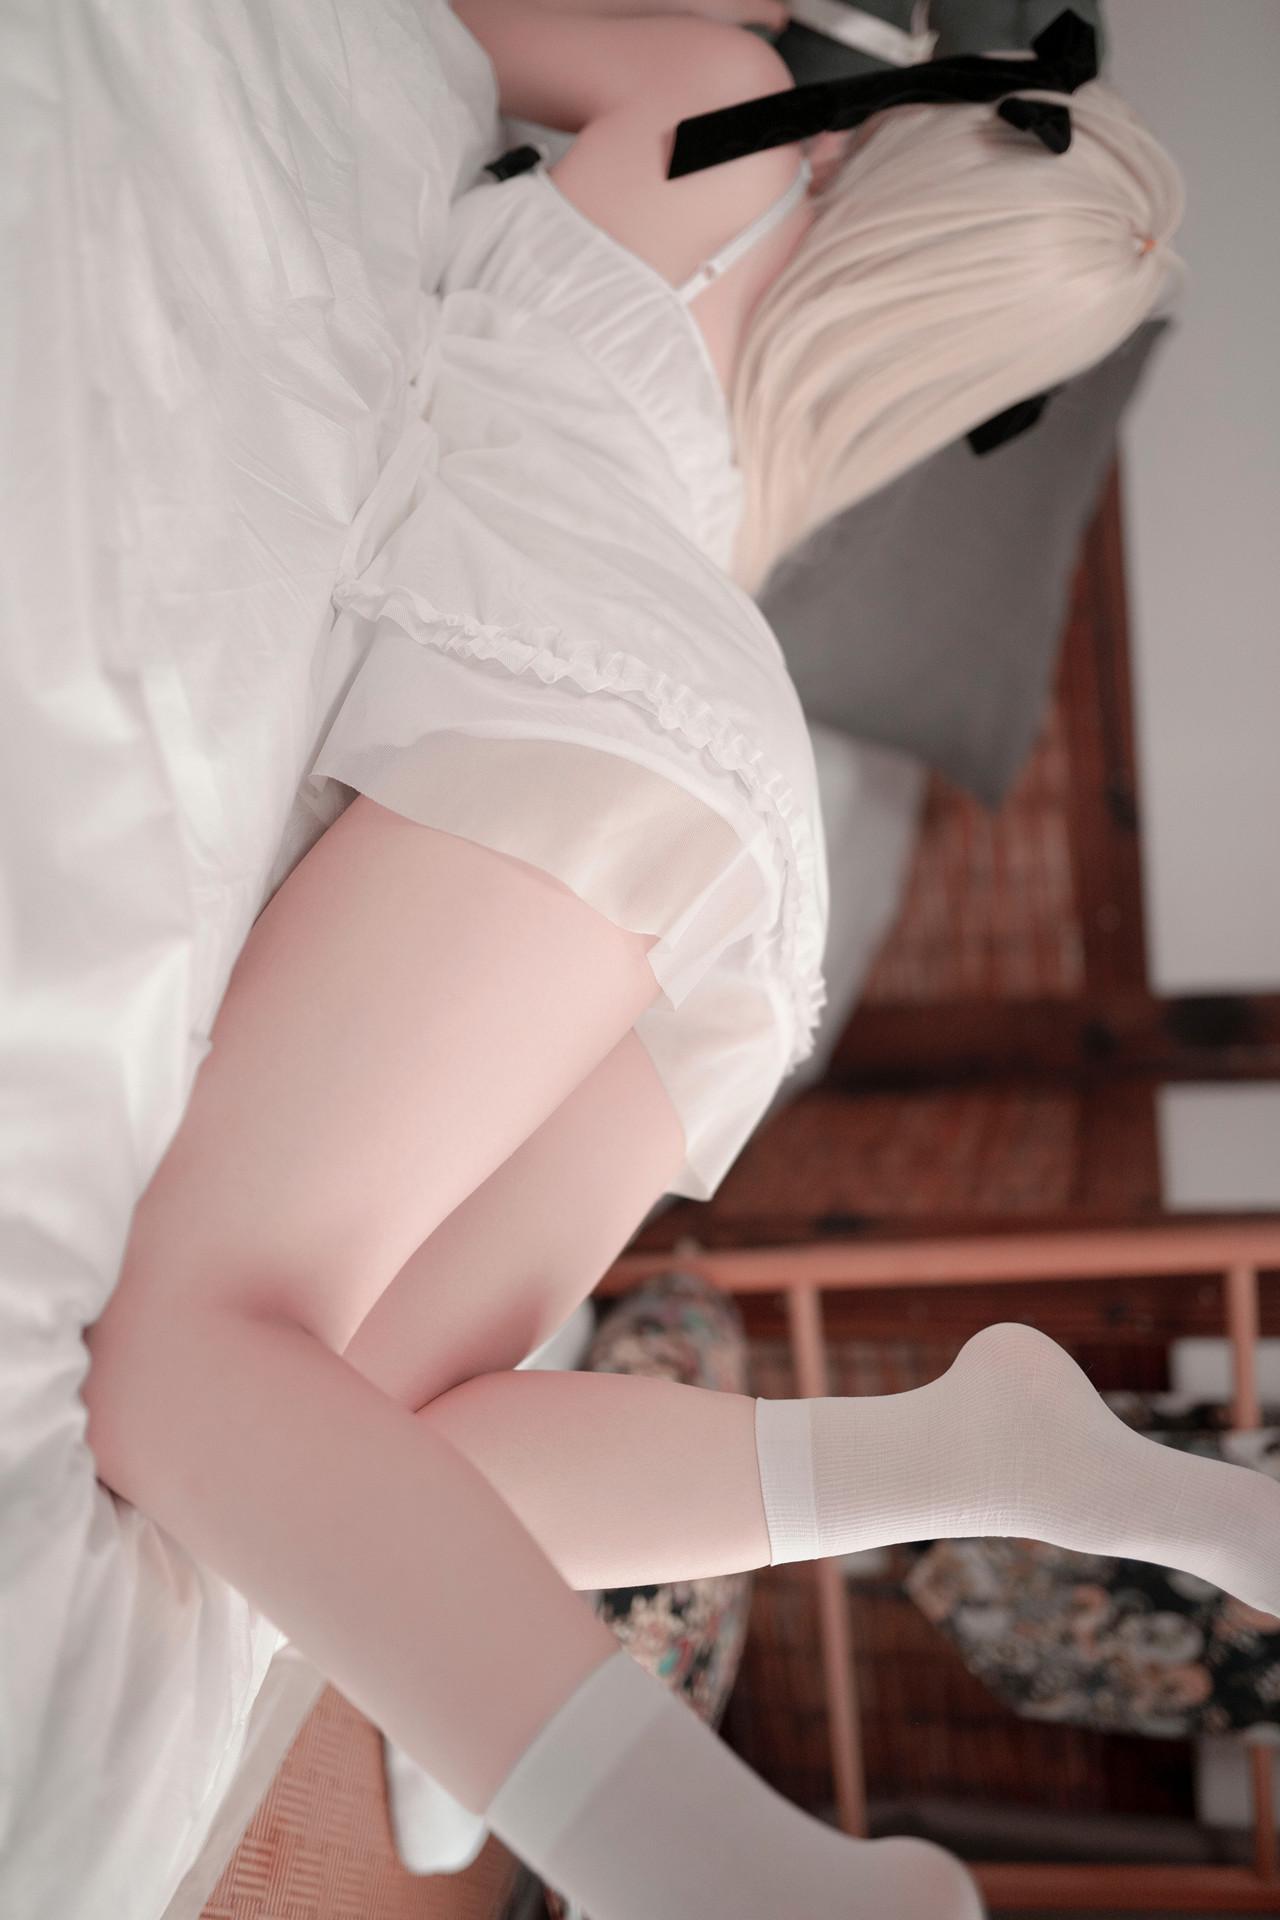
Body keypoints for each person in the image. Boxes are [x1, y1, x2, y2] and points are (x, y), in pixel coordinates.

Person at [80, 4, 1275, 1917]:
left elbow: (419, 20)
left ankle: (707, 1864)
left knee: (189, 1356)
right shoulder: (733, 479)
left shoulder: (730, 115)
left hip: (599, 722)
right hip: (722, 821)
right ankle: (972, 1459)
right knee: (357, 1431)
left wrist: (812, 64)